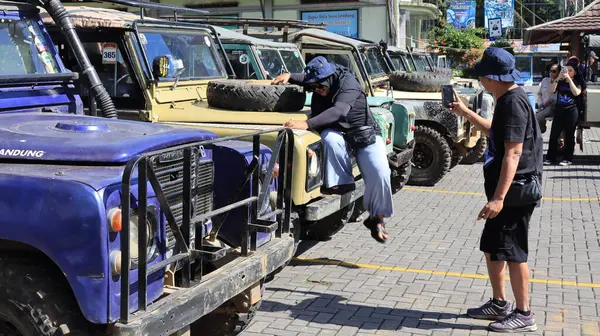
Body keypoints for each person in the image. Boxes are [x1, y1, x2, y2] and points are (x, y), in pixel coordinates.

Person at [448, 47, 543, 333]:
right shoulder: (505, 99)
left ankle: (524, 313)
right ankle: (500, 302)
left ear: (492, 77)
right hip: (504, 193)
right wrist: (465, 112)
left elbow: (513, 153)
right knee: (493, 248)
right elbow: (495, 133)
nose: (480, 82)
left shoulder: (513, 103)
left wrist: (499, 198)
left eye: (482, 77)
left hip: (514, 193)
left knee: (514, 253)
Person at [271, 56, 393, 243]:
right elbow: (306, 78)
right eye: (313, 88)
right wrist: (290, 76)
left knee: (381, 171)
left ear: (328, 78)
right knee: (329, 138)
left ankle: (377, 218)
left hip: (362, 132)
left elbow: (339, 112)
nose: (317, 90)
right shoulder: (319, 79)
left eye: (320, 86)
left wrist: (307, 123)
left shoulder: (348, 83)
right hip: (336, 131)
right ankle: (342, 183)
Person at [544, 60, 582, 166]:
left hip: (572, 110)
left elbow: (576, 93)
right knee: (554, 135)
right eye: (566, 70)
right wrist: (557, 78)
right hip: (560, 110)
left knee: (569, 135)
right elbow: (551, 91)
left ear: (575, 72)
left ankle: (568, 158)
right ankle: (550, 158)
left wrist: (569, 80)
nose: (568, 72)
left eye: (570, 71)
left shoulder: (578, 81)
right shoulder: (560, 81)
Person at [535, 63, 559, 133]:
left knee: (538, 116)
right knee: (534, 116)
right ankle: (541, 128)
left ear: (558, 73)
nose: (551, 73)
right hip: (543, 106)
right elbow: (539, 94)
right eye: (550, 71)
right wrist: (541, 103)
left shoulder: (561, 82)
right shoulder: (545, 80)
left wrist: (552, 100)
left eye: (554, 71)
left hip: (553, 107)